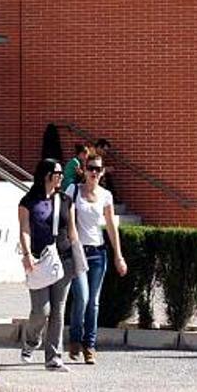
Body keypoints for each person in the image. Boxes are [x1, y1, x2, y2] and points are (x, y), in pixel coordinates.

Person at [65, 154, 127, 364]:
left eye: (98, 169)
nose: (94, 173)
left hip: (98, 253)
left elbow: (111, 226)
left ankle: (89, 346)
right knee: (81, 298)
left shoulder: (106, 195)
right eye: (91, 168)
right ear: (84, 169)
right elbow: (64, 217)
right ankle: (74, 339)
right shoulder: (74, 191)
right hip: (78, 252)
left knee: (94, 302)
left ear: (102, 172)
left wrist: (118, 256)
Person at [18, 159, 78, 372]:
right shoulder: (28, 202)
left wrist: (79, 259)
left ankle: (53, 357)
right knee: (41, 311)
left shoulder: (66, 200)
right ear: (46, 175)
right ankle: (31, 341)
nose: (62, 176)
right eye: (58, 173)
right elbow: (24, 229)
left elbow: (72, 232)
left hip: (63, 260)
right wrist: (26, 255)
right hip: (38, 260)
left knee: (58, 311)